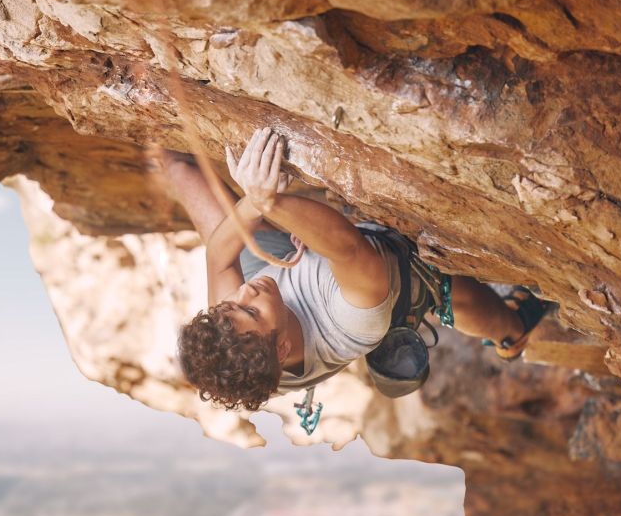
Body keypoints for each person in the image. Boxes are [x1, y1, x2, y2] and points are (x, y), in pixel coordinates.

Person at [166, 127, 547, 411]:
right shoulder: (347, 322)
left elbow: (219, 256)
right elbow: (347, 247)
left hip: (285, 285)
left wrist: (253, 205)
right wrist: (271, 203)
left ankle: (263, 232)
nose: (245, 292)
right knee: (438, 290)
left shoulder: (233, 336)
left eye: (230, 304)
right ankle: (511, 334)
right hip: (381, 273)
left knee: (179, 169)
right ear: (282, 348)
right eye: (250, 310)